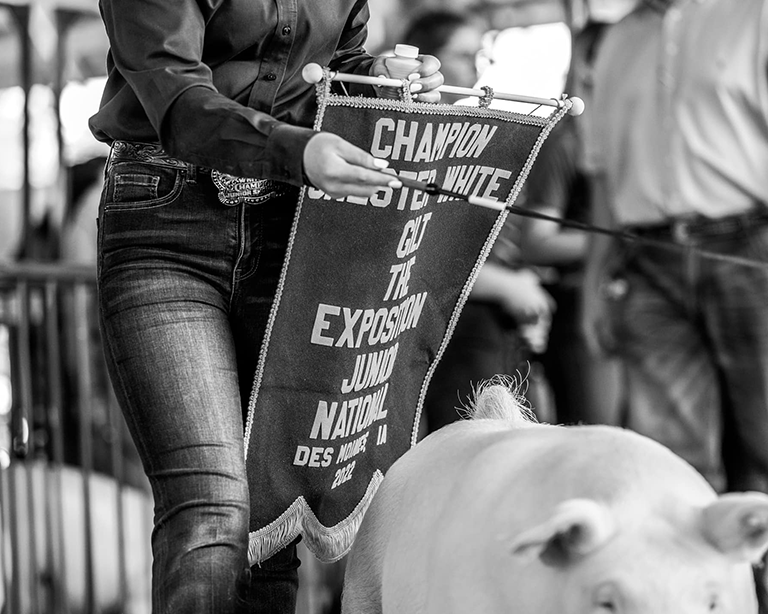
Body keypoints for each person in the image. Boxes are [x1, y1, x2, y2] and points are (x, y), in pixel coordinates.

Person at [87, 3, 443, 613]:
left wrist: (378, 78)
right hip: (168, 218)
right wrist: (298, 151)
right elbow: (177, 100)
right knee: (212, 507)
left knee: (267, 524)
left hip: (290, 219)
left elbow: (331, 73)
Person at [581, 3, 768, 605]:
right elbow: (604, 179)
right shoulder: (616, 42)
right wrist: (592, 285)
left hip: (752, 249)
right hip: (645, 258)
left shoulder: (755, 14)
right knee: (673, 470)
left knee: (766, 447)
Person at [517, 20, 625, 427]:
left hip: (634, 296)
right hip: (580, 302)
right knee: (596, 438)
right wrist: (622, 243)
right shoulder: (567, 141)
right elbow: (537, 240)